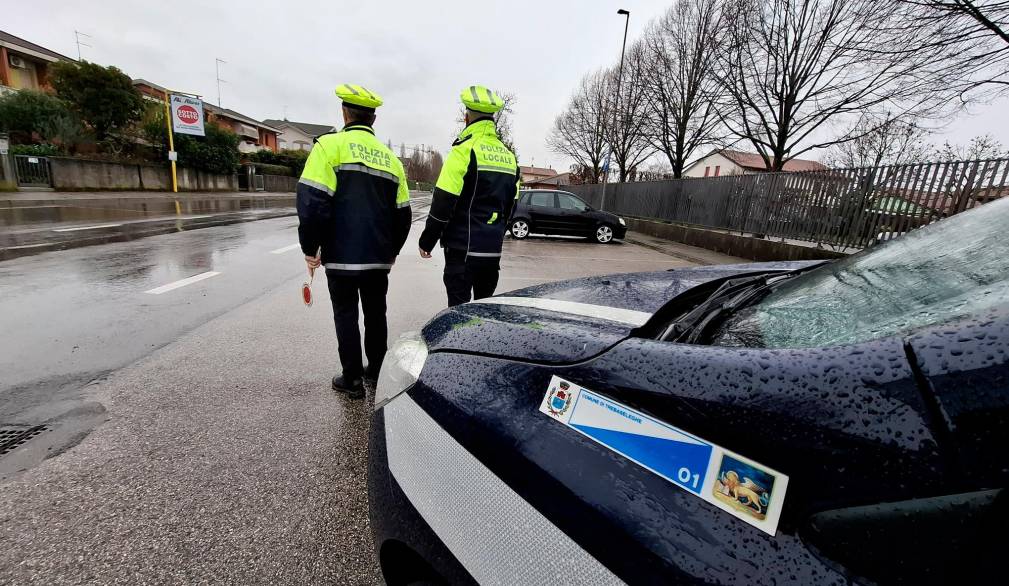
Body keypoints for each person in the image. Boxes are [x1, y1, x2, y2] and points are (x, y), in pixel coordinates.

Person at [297, 84, 411, 399]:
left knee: (345, 313)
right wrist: (391, 251)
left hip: (341, 256)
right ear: (373, 118)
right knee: (377, 314)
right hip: (378, 258)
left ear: (344, 113)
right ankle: (376, 371)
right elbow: (403, 215)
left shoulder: (329, 147)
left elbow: (311, 203)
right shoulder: (392, 160)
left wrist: (311, 247)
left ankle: (352, 380)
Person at [418, 85, 520, 306]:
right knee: (483, 315)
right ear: (493, 119)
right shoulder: (509, 158)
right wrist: (494, 233)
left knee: (458, 317)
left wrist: (427, 240)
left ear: (467, 117)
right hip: (492, 252)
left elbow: (443, 201)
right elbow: (512, 206)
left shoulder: (464, 150)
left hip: (462, 251)